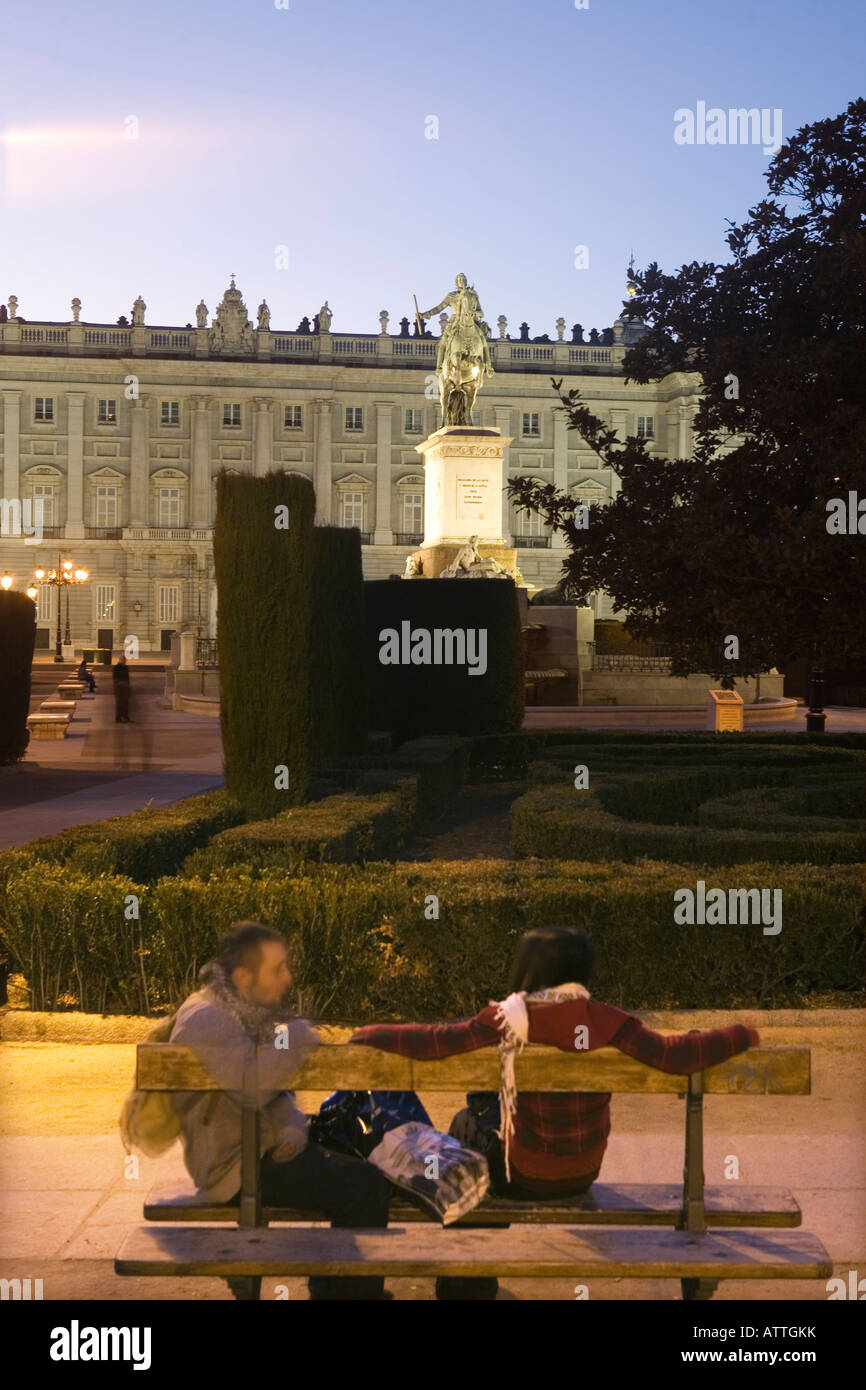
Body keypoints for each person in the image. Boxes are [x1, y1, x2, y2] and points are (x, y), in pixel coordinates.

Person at [350, 924, 760, 1300]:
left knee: (465, 1125)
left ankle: (466, 1283)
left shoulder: (507, 1018)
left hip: (521, 1176)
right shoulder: (607, 1021)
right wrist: (742, 1033)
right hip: (582, 1173)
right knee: (481, 1112)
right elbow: (677, 1055)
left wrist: (372, 1033)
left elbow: (436, 1042)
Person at [170, 921, 392, 1301]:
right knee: (366, 1187)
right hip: (237, 1168)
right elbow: (253, 1089)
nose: (288, 978)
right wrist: (301, 1034)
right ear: (243, 976)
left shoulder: (238, 1009)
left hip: (258, 1149)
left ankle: (335, 1287)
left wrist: (292, 1132)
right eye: (277, 969)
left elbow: (277, 1092)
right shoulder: (207, 1018)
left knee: (363, 1161)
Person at [112, 654, 131, 722]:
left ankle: (123, 716)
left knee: (123, 702)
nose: (125, 661)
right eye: (124, 660)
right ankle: (120, 717)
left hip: (122, 686)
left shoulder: (123, 667)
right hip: (120, 686)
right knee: (121, 702)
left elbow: (127, 678)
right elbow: (122, 677)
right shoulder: (119, 667)